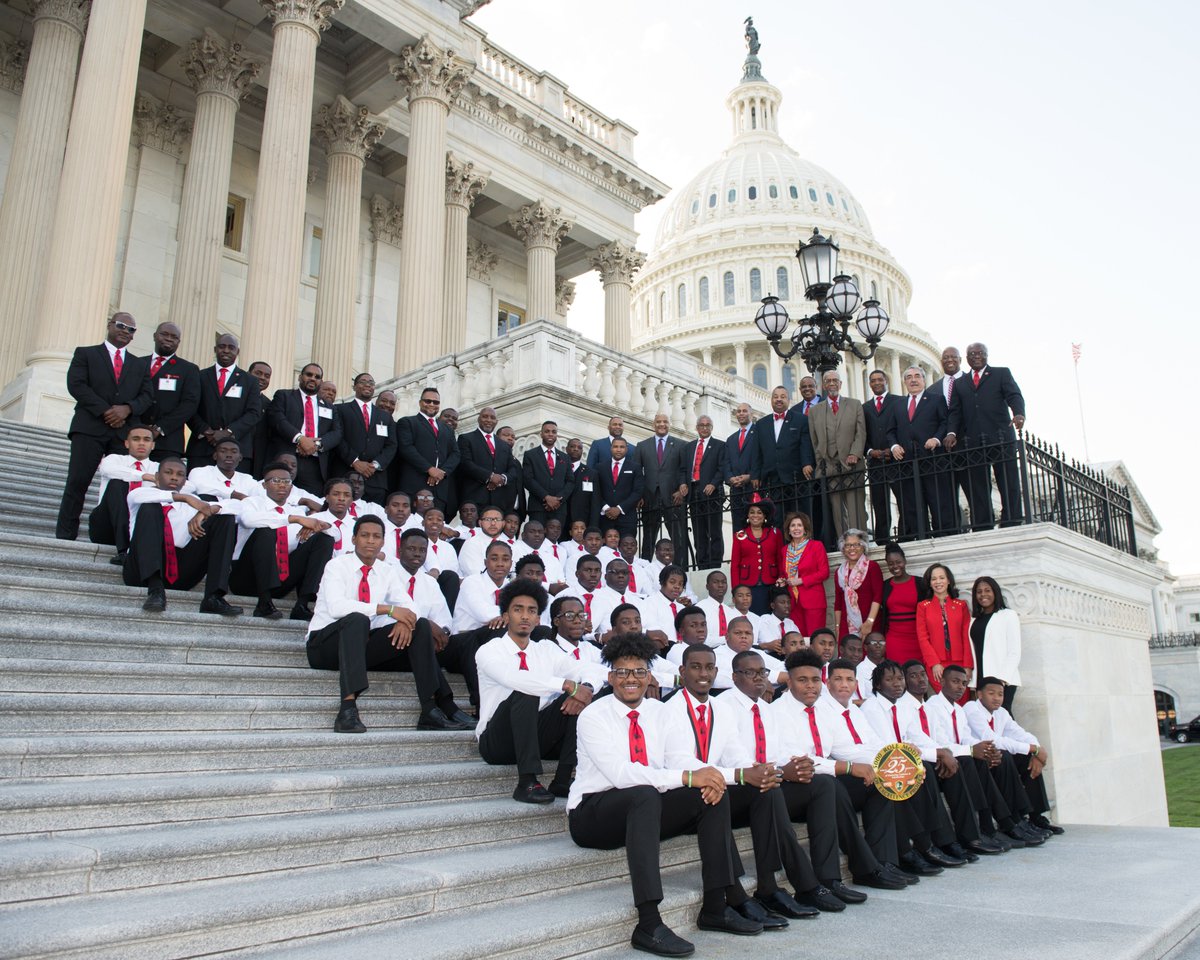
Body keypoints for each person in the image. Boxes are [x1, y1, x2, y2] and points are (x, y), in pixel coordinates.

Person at [567, 631, 763, 957]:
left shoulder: (661, 712)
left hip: (646, 808)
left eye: (639, 671)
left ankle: (715, 905)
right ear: (610, 676)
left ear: (650, 676)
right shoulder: (594, 716)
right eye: (623, 672)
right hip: (594, 814)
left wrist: (710, 776)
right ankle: (648, 922)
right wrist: (688, 775)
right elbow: (622, 775)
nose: (631, 679)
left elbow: (679, 758)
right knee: (644, 792)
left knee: (709, 792)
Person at [667, 644, 836, 920]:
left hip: (718, 784)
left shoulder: (718, 709)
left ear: (717, 672)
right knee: (727, 792)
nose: (703, 673)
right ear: (682, 671)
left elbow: (735, 753)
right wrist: (743, 775)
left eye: (709, 667)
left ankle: (768, 886)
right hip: (684, 792)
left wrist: (763, 773)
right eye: (696, 667)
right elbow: (677, 760)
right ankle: (735, 893)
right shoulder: (671, 708)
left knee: (766, 790)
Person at [305, 515, 468, 733]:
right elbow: (337, 608)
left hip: (361, 646)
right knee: (356, 618)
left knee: (418, 626)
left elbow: (409, 606)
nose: (370, 541)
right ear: (353, 539)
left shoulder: (386, 571)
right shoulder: (336, 566)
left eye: (376, 537)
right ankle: (347, 710)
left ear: (383, 542)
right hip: (325, 646)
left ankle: (431, 709)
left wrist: (406, 621)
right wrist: (388, 610)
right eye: (364, 535)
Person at [772, 648, 909, 891]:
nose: (811, 686)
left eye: (815, 680)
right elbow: (796, 760)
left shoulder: (819, 710)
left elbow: (843, 747)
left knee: (880, 782)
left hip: (820, 780)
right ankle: (860, 869)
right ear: (789, 681)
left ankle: (883, 861)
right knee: (832, 786)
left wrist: (884, 761)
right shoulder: (778, 712)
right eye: (803, 680)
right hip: (791, 786)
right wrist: (845, 767)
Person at [822, 657, 966, 876]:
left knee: (915, 770)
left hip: (867, 765)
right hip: (844, 772)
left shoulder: (853, 710)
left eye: (850, 679)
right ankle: (910, 850)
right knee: (893, 779)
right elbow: (844, 751)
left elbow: (873, 742)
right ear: (828, 682)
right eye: (838, 679)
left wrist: (901, 756)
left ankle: (924, 845)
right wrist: (891, 759)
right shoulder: (826, 710)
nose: (844, 684)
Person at [477, 580, 598, 803]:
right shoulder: (489, 650)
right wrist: (567, 685)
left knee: (580, 697)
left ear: (538, 619)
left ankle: (562, 779)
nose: (525, 616)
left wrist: (585, 688)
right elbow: (515, 679)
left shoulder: (546, 649)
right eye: (517, 609)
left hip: (536, 734)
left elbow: (588, 670)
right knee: (527, 691)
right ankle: (527, 782)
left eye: (531, 611)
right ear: (505, 616)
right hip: (497, 741)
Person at [860, 659, 985, 863]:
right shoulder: (872, 708)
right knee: (921, 769)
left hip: (903, 759)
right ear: (877, 685)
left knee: (953, 765)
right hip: (883, 764)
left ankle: (958, 840)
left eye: (900, 678)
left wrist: (942, 752)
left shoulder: (899, 706)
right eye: (890, 679)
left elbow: (916, 736)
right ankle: (927, 845)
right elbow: (888, 748)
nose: (898, 683)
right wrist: (932, 755)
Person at [57, 312, 153, 540]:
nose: (125, 331)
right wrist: (107, 410)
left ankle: (112, 535)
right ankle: (66, 535)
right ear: (110, 325)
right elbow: (76, 385)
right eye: (121, 325)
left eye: (131, 329)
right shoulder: (86, 353)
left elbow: (147, 396)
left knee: (120, 485)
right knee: (78, 481)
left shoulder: (139, 365)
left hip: (122, 433)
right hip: (89, 428)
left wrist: (127, 409)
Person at [912, 663, 1011, 855]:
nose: (960, 687)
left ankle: (989, 826)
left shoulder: (958, 709)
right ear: (941, 681)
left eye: (964, 683)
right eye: (955, 681)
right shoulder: (933, 705)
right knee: (966, 760)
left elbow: (965, 737)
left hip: (947, 754)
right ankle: (975, 832)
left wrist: (985, 748)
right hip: (937, 758)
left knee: (982, 758)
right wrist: (971, 750)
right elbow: (941, 742)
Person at [123, 454, 241, 615]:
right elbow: (141, 497)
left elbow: (239, 507)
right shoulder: (140, 494)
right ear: (157, 477)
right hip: (139, 572)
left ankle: (213, 597)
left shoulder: (194, 503)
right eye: (168, 473)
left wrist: (206, 512)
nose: (174, 478)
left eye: (180, 475)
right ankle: (155, 590)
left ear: (185, 481)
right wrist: (185, 497)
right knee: (150, 508)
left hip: (181, 571)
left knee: (225, 517)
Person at [230, 462, 335, 620]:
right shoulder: (252, 503)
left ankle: (302, 604)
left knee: (325, 539)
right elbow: (247, 520)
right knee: (266, 530)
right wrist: (292, 519)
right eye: (276, 481)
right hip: (246, 577)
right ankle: (264, 604)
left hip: (281, 579)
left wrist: (321, 525)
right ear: (265, 485)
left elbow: (336, 534)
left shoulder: (297, 510)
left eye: (286, 482)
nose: (282, 485)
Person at [966, 676, 1064, 838]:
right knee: (1005, 755)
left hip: (995, 757)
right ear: (979, 695)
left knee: (1026, 758)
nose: (997, 698)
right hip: (977, 760)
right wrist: (1032, 748)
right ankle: (1014, 819)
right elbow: (992, 739)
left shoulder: (1002, 713)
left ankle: (1035, 817)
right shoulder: (971, 709)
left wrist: (1036, 751)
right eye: (992, 693)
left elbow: (1021, 734)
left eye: (1000, 694)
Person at [946, 342, 1026, 529]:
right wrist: (951, 432)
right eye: (972, 354)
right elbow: (955, 412)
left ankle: (1011, 520)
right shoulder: (960, 383)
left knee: (1008, 481)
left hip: (1000, 436)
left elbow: (1014, 395)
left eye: (980, 353)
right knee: (978, 487)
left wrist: (1019, 413)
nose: (976, 356)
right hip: (973, 441)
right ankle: (983, 524)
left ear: (986, 355)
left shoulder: (1001, 373)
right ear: (966, 358)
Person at [887, 366, 955, 538]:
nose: (913, 380)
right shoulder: (897, 405)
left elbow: (944, 423)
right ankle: (919, 535)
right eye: (909, 377)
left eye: (917, 376)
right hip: (908, 462)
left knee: (937, 500)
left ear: (924, 380)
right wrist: (894, 446)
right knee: (912, 503)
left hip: (932, 459)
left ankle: (943, 535)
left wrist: (937, 439)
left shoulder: (936, 399)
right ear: (904, 382)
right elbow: (890, 431)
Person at [185, 333, 263, 472]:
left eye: (231, 347)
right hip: (202, 448)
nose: (226, 350)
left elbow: (254, 413)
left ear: (237, 352)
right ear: (215, 349)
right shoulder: (200, 376)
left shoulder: (250, 381)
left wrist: (229, 432)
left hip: (237, 451)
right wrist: (206, 431)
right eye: (222, 346)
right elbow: (189, 407)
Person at [807, 370, 866, 542]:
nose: (832, 383)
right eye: (828, 381)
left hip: (852, 464)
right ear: (824, 385)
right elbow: (814, 440)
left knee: (855, 507)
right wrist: (821, 462)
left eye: (835, 380)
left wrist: (855, 453)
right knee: (837, 510)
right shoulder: (815, 411)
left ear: (840, 384)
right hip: (830, 465)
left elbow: (860, 433)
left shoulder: (854, 405)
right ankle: (844, 543)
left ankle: (860, 542)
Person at [267, 362, 342, 496]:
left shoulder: (330, 407)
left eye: (317, 376)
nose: (313, 378)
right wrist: (300, 439)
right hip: (286, 457)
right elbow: (277, 419)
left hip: (314, 464)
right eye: (309, 375)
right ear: (300, 377)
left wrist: (315, 445)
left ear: (320, 381)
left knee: (310, 503)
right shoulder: (284, 396)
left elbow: (337, 433)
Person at [89, 424, 158, 564]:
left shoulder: (160, 468)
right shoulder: (114, 459)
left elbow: (185, 485)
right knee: (118, 483)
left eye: (146, 440)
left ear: (153, 445)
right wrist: (145, 476)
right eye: (136, 439)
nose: (141, 443)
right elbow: (107, 470)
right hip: (106, 527)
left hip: (139, 529)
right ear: (127, 443)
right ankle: (124, 550)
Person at [332, 372, 396, 506]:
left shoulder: (385, 417)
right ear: (354, 387)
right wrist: (354, 461)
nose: (368, 385)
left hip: (375, 480)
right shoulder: (340, 409)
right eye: (363, 382)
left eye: (371, 383)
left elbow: (391, 445)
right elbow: (337, 437)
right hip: (346, 476)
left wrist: (375, 465)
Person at [140, 322, 200, 460]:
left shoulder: (188, 369)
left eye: (174, 337)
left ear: (179, 341)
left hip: (168, 441)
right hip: (137, 437)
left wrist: (160, 428)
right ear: (155, 336)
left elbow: (189, 405)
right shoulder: (137, 363)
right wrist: (139, 427)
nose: (168, 339)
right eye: (164, 334)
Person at [395, 387, 460, 512]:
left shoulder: (447, 429)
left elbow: (455, 454)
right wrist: (429, 469)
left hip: (439, 489)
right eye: (427, 401)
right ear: (420, 403)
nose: (431, 404)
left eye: (435, 402)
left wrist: (441, 472)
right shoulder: (408, 422)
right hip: (414, 487)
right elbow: (406, 449)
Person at [751, 386, 808, 522]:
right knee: (776, 518)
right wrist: (755, 474)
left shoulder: (801, 420)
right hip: (771, 479)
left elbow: (804, 445)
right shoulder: (761, 424)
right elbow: (756, 452)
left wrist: (807, 463)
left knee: (797, 517)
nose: (779, 400)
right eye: (776, 397)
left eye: (782, 397)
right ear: (771, 400)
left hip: (795, 477)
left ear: (789, 400)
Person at [676, 415, 725, 570]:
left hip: (712, 493)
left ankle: (715, 563)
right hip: (694, 492)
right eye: (702, 425)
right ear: (697, 428)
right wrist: (683, 483)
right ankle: (702, 564)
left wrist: (713, 484)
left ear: (711, 428)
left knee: (714, 531)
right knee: (698, 532)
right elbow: (682, 469)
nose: (704, 428)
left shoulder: (719, 446)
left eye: (708, 425)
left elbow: (721, 468)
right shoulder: (688, 447)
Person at [915, 563, 973, 694]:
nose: (938, 582)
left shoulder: (961, 605)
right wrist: (934, 663)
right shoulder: (923, 606)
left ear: (948, 581)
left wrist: (968, 665)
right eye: (934, 579)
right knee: (944, 701)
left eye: (942, 578)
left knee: (961, 701)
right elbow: (923, 638)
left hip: (960, 663)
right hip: (937, 665)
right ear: (929, 583)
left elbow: (966, 636)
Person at [635, 413, 686, 563]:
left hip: (673, 497)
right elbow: (637, 473)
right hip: (650, 497)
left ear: (669, 424)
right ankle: (645, 566)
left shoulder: (680, 445)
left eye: (665, 421)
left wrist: (681, 489)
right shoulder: (642, 446)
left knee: (678, 536)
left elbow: (684, 469)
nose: (662, 424)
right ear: (653, 425)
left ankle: (681, 567)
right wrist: (639, 495)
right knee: (648, 537)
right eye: (658, 422)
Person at [862, 369, 903, 545]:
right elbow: (862, 435)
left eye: (880, 379)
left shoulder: (898, 402)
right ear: (869, 384)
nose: (877, 383)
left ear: (886, 381)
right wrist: (871, 451)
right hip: (875, 462)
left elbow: (903, 428)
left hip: (896, 459)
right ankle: (882, 539)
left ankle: (904, 535)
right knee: (879, 504)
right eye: (873, 380)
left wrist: (893, 447)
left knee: (902, 499)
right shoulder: (865, 407)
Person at [971, 576, 1022, 713]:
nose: (983, 595)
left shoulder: (1008, 615)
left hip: (1002, 679)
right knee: (985, 720)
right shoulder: (973, 620)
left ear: (995, 592)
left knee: (1003, 717)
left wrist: (1001, 680)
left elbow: (1014, 651)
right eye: (979, 591)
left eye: (987, 590)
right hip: (980, 679)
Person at [457, 407, 515, 513]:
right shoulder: (466, 439)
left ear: (496, 422)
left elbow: (512, 468)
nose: (488, 420)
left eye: (492, 418)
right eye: (485, 416)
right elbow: (466, 463)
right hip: (475, 498)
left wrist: (501, 479)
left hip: (499, 500)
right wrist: (490, 476)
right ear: (479, 419)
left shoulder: (504, 445)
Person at [779, 511, 829, 635]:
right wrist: (782, 580)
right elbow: (784, 573)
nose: (796, 528)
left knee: (815, 638)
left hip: (813, 601)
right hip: (793, 602)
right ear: (788, 530)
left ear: (805, 529)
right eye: (793, 525)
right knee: (798, 638)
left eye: (800, 525)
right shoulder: (784, 550)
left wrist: (801, 580)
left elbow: (824, 572)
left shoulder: (816, 546)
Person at [730, 501, 781, 615]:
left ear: (764, 516)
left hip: (771, 585)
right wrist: (736, 589)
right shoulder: (739, 535)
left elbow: (780, 559)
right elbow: (735, 565)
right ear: (748, 515)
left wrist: (781, 578)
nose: (755, 515)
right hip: (748, 587)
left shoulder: (775, 533)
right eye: (752, 512)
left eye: (759, 512)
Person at [522, 420, 575, 529]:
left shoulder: (565, 457)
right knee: (536, 541)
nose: (550, 434)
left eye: (553, 432)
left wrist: (558, 500)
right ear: (541, 434)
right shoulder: (530, 455)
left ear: (557, 435)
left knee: (555, 542)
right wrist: (546, 497)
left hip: (559, 509)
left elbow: (570, 481)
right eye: (547, 431)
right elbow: (528, 479)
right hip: (538, 508)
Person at [878, 541, 925, 664]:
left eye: (898, 562)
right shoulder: (885, 586)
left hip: (918, 639)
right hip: (895, 640)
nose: (895, 566)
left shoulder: (920, 583)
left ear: (905, 561)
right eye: (891, 564)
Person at [832, 529, 882, 640]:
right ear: (843, 549)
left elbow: (877, 597)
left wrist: (870, 622)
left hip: (869, 622)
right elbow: (838, 603)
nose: (852, 548)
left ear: (863, 547)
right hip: (846, 624)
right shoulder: (839, 572)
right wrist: (837, 626)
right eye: (848, 545)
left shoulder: (872, 567)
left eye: (856, 544)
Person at [592, 436, 643, 538]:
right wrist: (606, 508)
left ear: (626, 449)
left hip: (627, 518)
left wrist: (619, 508)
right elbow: (596, 491)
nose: (618, 449)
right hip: (605, 517)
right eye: (615, 446)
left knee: (626, 548)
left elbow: (638, 491)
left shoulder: (635, 467)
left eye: (622, 447)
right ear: (611, 448)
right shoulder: (600, 467)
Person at [723, 402, 758, 533]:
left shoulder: (758, 433)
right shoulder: (731, 439)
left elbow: (762, 457)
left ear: (751, 414)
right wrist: (730, 478)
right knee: (738, 529)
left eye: (744, 411)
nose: (741, 413)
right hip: (736, 490)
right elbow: (726, 462)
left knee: (754, 526)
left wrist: (750, 476)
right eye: (738, 411)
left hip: (753, 487)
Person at [245, 361, 273, 478]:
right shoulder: (237, 397)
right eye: (258, 373)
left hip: (258, 459)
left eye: (267, 376)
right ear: (248, 373)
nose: (262, 378)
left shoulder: (269, 404)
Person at [753, 587, 799, 655]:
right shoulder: (763, 620)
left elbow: (800, 642)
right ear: (773, 605)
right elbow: (752, 645)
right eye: (782, 603)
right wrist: (767, 645)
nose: (787, 606)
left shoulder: (790, 623)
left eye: (788, 602)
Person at [695, 571, 737, 643]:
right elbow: (699, 638)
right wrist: (727, 639)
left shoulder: (731, 613)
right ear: (707, 586)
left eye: (723, 582)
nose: (720, 585)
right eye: (715, 582)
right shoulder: (699, 608)